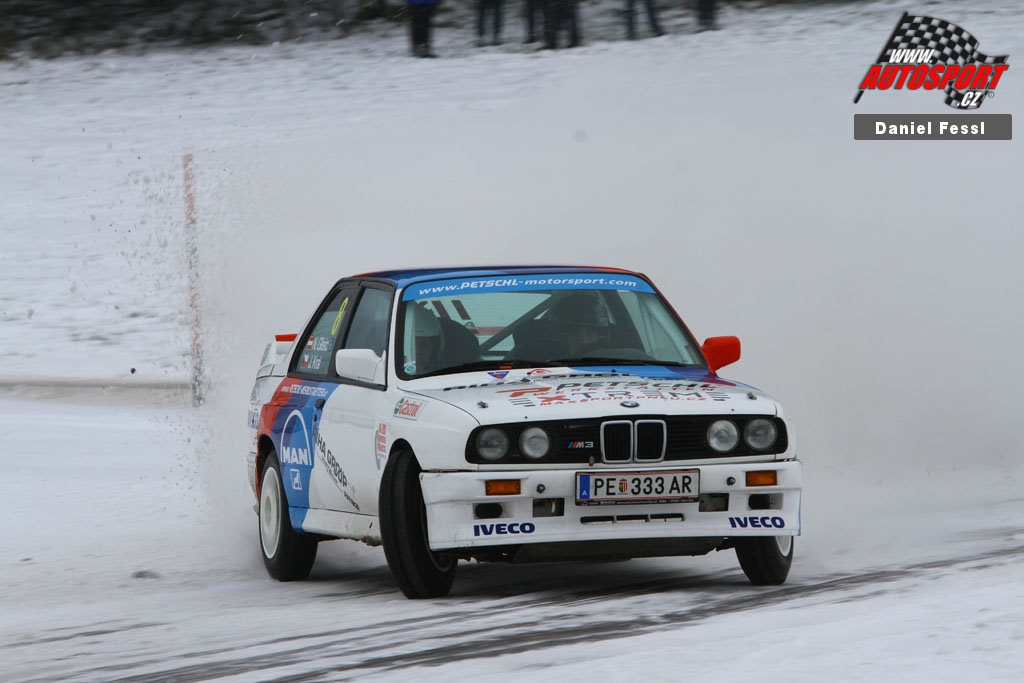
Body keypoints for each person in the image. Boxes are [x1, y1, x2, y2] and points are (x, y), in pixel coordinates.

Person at [403, 303, 445, 374]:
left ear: (436, 348)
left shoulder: (448, 375)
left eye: (423, 344)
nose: (417, 351)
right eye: (411, 344)